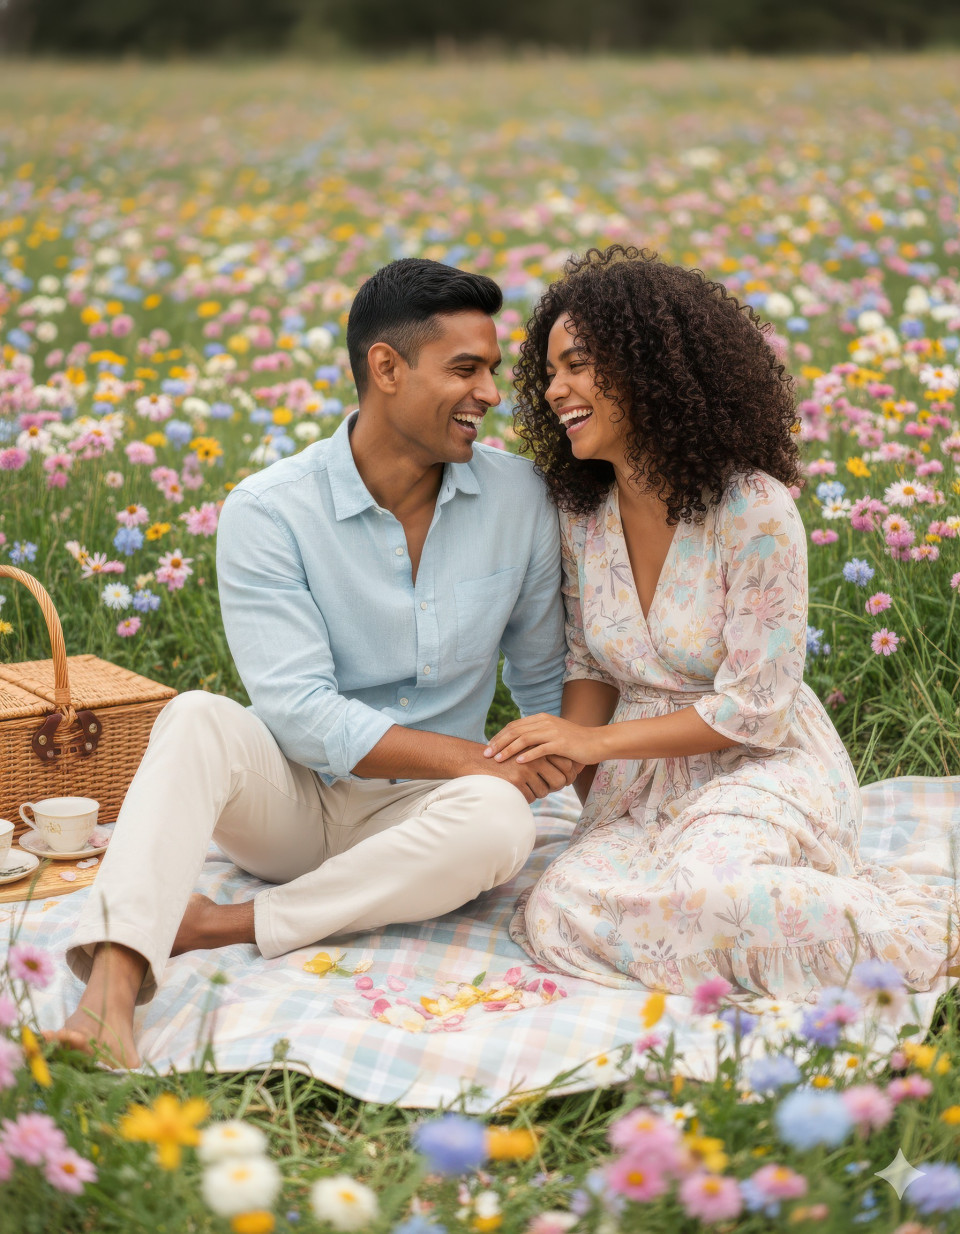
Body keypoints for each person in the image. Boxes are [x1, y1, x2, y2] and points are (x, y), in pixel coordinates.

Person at [51, 258, 574, 1068]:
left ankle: (217, 925)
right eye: (465, 369)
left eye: (494, 370)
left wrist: (586, 785)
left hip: (428, 816)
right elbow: (298, 710)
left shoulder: (522, 500)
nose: (491, 394)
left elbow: (544, 684)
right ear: (387, 367)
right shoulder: (269, 510)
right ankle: (110, 993)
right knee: (195, 715)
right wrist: (479, 760)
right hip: (292, 805)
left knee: (502, 820)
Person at [484, 245, 957, 1000]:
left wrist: (592, 742)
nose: (555, 389)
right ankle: (765, 936)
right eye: (548, 373)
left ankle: (921, 930)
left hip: (761, 768)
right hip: (636, 785)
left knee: (710, 890)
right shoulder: (582, 516)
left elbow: (755, 710)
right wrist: (564, 761)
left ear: (648, 367)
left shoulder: (755, 510)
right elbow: (591, 664)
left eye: (576, 364)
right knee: (558, 911)